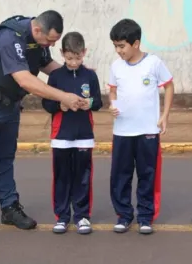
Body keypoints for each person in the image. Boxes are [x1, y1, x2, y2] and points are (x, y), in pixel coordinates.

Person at [0, 10, 88, 238]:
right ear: (37, 30)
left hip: (11, 106)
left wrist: (80, 75)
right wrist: (63, 96)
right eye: (50, 41)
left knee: (5, 160)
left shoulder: (38, 41)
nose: (51, 45)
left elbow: (49, 66)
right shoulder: (9, 38)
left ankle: (9, 208)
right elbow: (26, 80)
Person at [107, 18, 175, 235]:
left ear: (135, 43)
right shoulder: (116, 66)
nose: (118, 51)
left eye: (121, 46)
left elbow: (169, 86)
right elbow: (113, 90)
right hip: (122, 131)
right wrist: (112, 105)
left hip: (147, 131)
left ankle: (145, 216)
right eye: (115, 46)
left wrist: (164, 115)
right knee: (121, 175)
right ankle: (124, 215)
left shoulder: (153, 63)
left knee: (147, 174)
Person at [41, 32, 103, 235]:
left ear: (84, 53)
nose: (74, 62)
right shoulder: (56, 76)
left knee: (83, 177)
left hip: (84, 135)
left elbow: (98, 102)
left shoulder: (90, 75)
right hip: (61, 138)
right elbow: (47, 103)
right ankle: (62, 217)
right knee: (62, 177)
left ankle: (82, 216)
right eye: (69, 58)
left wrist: (89, 103)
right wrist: (61, 105)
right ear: (62, 54)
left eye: (77, 57)